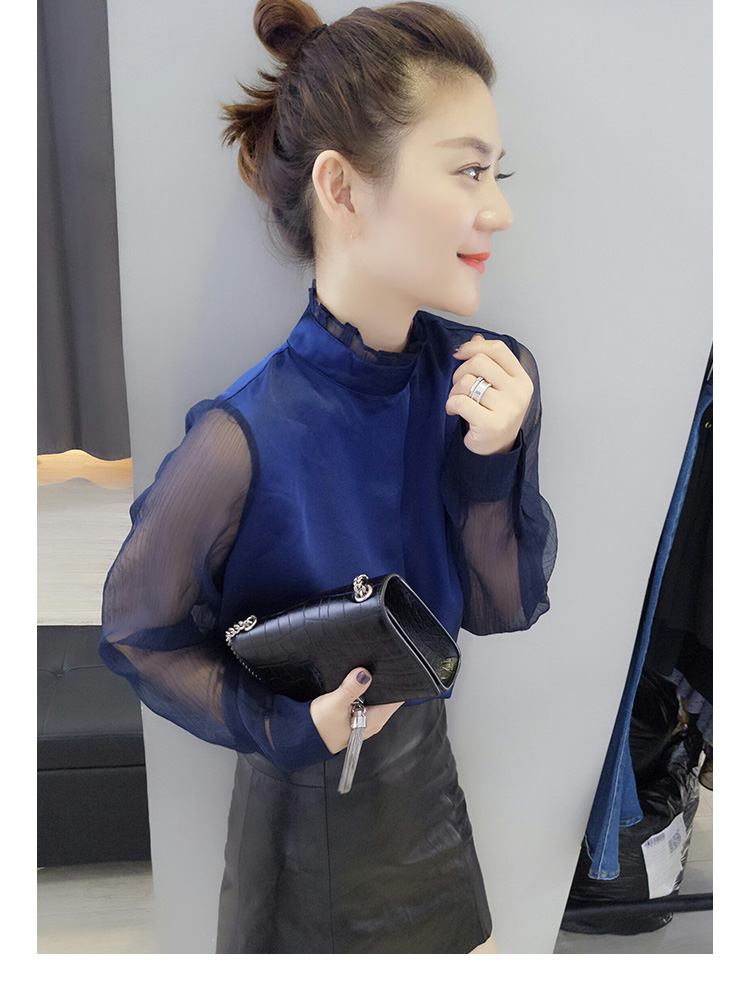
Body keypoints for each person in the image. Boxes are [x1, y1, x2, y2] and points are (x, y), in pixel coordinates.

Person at [98, 0, 558, 954]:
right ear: (342, 187)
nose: (500, 211)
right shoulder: (243, 437)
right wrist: (291, 726)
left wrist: (493, 458)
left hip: (426, 791)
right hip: (300, 829)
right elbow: (137, 633)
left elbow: (501, 605)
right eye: (468, 170)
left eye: (497, 173)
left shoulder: (483, 380)